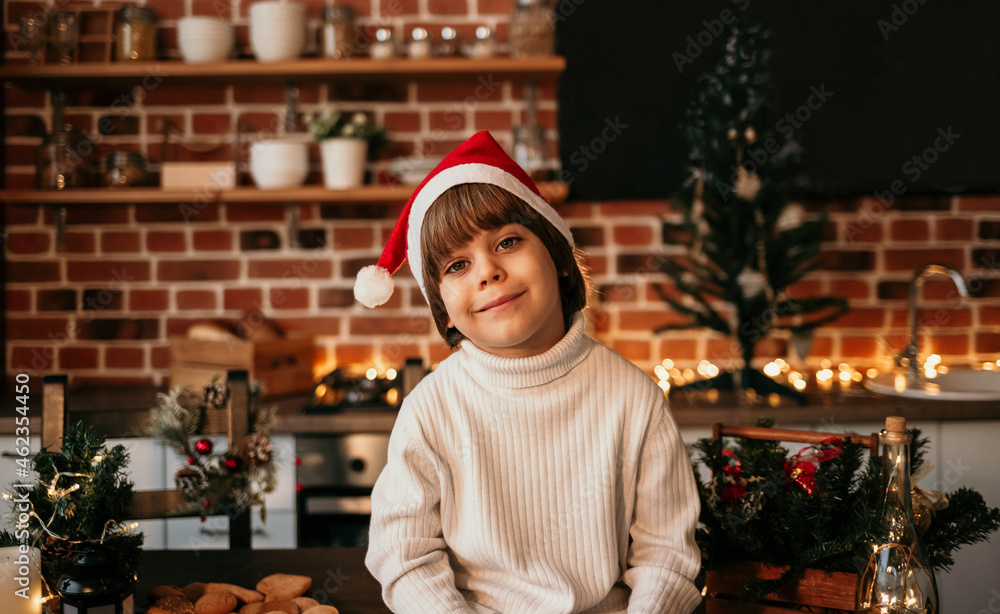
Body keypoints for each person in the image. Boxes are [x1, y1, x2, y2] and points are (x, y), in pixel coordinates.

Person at [356, 131, 701, 613]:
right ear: (446, 312)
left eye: (508, 241)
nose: (487, 272)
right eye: (457, 265)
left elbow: (665, 556)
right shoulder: (431, 410)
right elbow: (404, 557)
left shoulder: (633, 398)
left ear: (559, 259)